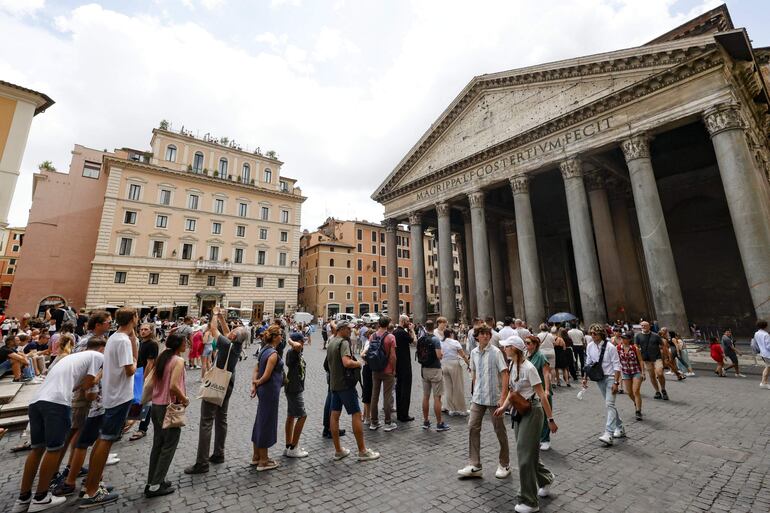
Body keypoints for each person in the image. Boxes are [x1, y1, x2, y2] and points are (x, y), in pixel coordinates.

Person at [12, 337, 105, 513]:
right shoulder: (97, 356)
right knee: (54, 449)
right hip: (57, 403)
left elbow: (77, 385)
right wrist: (101, 373)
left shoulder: (71, 358)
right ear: (102, 349)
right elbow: (88, 385)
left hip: (37, 401)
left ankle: (23, 499)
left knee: (37, 448)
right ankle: (40, 497)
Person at [79, 307, 138, 507]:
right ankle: (92, 491)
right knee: (106, 440)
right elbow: (130, 370)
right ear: (134, 318)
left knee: (102, 439)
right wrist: (135, 359)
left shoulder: (114, 337)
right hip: (119, 396)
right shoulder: (122, 341)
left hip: (112, 394)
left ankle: (91, 483)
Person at [495, 336, 557, 513]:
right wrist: (504, 407)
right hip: (519, 410)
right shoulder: (513, 365)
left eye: (506, 346)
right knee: (528, 453)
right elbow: (512, 392)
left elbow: (542, 395)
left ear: (514, 348)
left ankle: (529, 501)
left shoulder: (529, 368)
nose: (504, 349)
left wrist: (550, 420)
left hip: (533, 411)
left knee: (524, 455)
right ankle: (545, 478)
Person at [185, 309, 244, 474]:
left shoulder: (226, 344)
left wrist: (215, 315)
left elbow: (213, 329)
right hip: (229, 382)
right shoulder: (235, 345)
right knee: (222, 418)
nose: (232, 330)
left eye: (234, 330)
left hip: (217, 381)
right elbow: (226, 331)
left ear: (233, 336)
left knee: (206, 421)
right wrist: (223, 319)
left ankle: (202, 463)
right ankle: (219, 453)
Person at [458, 324, 510, 479]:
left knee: (500, 430)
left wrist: (503, 397)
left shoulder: (496, 352)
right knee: (472, 427)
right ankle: (475, 465)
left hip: (494, 398)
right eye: (482, 334)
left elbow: (505, 374)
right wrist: (473, 391)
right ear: (477, 336)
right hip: (478, 398)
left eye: (488, 333)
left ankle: (504, 463)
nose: (486, 336)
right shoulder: (473, 353)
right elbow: (473, 373)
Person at [325, 321, 379, 462]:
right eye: (349, 329)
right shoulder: (343, 343)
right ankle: (362, 451)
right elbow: (346, 362)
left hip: (334, 384)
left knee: (334, 415)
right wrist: (358, 363)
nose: (351, 331)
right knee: (356, 414)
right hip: (345, 385)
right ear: (341, 329)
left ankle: (338, 451)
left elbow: (327, 364)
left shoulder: (331, 341)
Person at [144, 333, 188, 498]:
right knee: (169, 445)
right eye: (185, 341)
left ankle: (154, 480)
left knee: (158, 444)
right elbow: (174, 386)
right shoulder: (178, 360)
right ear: (180, 344)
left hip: (156, 405)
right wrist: (185, 399)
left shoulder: (163, 356)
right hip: (169, 407)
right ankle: (156, 486)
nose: (187, 344)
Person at [583, 323, 624, 446]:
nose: (592, 336)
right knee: (609, 403)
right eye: (591, 334)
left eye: (595, 333)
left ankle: (609, 433)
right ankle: (620, 427)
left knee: (609, 404)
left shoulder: (610, 347)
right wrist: (585, 378)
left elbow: (617, 365)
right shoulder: (590, 346)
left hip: (611, 377)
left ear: (601, 334)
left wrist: (616, 382)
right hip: (599, 377)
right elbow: (588, 363)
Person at [250, 324, 284, 471]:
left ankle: (256, 456)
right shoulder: (273, 354)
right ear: (275, 337)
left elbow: (257, 368)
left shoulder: (264, 349)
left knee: (260, 420)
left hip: (264, 390)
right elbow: (266, 375)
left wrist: (254, 384)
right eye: (280, 335)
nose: (282, 337)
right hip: (270, 391)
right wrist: (257, 382)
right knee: (266, 422)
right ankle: (263, 460)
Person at [130, 323, 160, 442]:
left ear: (151, 331)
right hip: (138, 373)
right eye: (141, 329)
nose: (143, 331)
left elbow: (150, 363)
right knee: (138, 400)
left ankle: (143, 429)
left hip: (144, 374)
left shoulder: (152, 344)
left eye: (146, 329)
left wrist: (145, 378)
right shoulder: (142, 342)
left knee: (146, 402)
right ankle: (131, 423)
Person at [368, 316, 397, 432]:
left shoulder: (372, 336)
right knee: (387, 396)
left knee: (374, 396)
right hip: (388, 370)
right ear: (388, 324)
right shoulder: (390, 337)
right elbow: (393, 356)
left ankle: (374, 422)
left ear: (379, 324)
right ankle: (388, 422)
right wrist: (394, 369)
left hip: (375, 369)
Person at [418, 320, 448, 431]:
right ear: (434, 327)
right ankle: (439, 423)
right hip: (435, 369)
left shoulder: (421, 339)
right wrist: (442, 354)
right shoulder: (435, 340)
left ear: (425, 327)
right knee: (437, 397)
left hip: (424, 369)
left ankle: (426, 421)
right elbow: (439, 356)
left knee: (425, 396)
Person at [525, 335, 553, 451]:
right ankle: (537, 438)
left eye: (528, 343)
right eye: (525, 343)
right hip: (531, 390)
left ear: (535, 345)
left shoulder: (540, 356)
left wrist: (546, 390)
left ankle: (545, 439)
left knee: (545, 414)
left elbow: (546, 373)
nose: (526, 345)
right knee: (535, 415)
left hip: (542, 389)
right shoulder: (526, 355)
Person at [283, 332, 308, 458]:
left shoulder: (295, 352)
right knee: (302, 416)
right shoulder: (293, 351)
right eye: (302, 341)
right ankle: (294, 447)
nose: (303, 343)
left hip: (293, 386)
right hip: (294, 388)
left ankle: (289, 445)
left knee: (291, 415)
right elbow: (297, 346)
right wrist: (291, 341)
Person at [635, 321, 669, 400]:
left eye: (645, 325)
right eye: (642, 325)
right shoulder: (638, 336)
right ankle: (657, 391)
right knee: (652, 376)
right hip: (646, 359)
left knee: (660, 373)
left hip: (657, 358)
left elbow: (663, 346)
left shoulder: (655, 335)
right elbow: (636, 347)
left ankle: (663, 389)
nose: (643, 327)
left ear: (649, 326)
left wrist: (666, 357)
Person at [441, 328, 469, 417]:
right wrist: (469, 364)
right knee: (458, 386)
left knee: (448, 387)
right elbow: (463, 355)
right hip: (454, 364)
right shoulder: (455, 342)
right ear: (451, 334)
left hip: (444, 364)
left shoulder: (441, 343)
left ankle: (451, 409)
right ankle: (461, 409)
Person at [618, 331, 645, 420]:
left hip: (636, 371)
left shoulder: (634, 348)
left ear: (629, 339)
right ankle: (636, 403)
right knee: (629, 393)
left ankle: (638, 411)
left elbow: (640, 360)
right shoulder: (618, 348)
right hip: (625, 372)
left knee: (636, 391)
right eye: (622, 338)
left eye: (625, 338)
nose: (623, 340)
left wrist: (643, 372)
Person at [393, 315, 415, 423]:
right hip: (405, 365)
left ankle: (399, 413)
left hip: (397, 364)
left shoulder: (395, 332)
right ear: (403, 321)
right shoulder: (403, 333)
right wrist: (412, 330)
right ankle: (404, 414)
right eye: (408, 321)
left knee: (398, 389)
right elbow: (414, 341)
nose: (409, 323)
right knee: (406, 390)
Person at [752, 320, 770, 389]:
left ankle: (763, 382)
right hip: (768, 354)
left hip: (763, 353)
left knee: (768, 367)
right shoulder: (766, 334)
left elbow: (755, 343)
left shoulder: (756, 333)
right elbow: (769, 346)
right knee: (768, 367)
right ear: (766, 326)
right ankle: (763, 382)